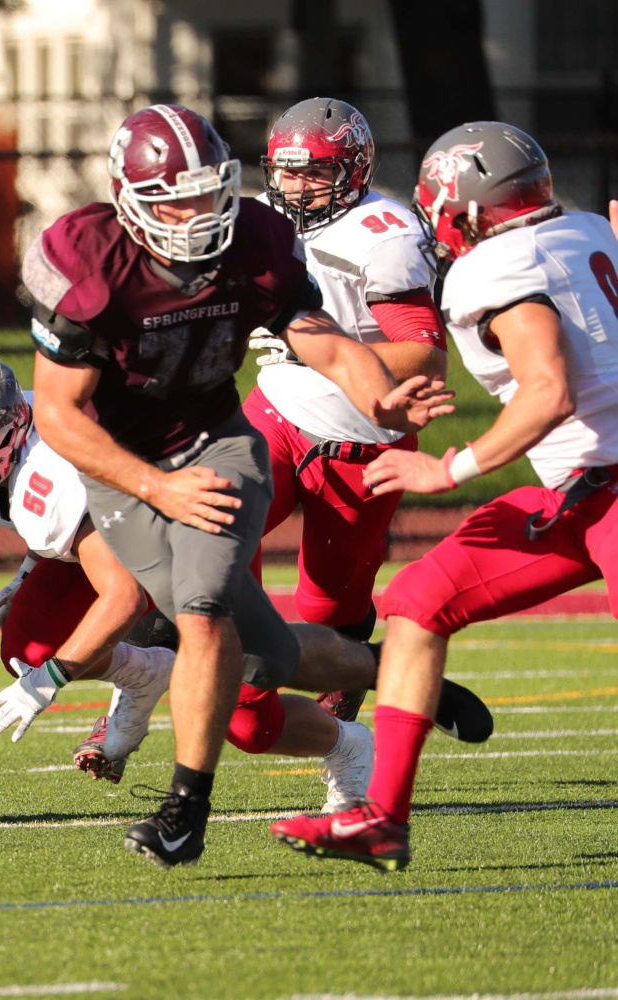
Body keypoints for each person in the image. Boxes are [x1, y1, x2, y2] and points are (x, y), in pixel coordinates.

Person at [18, 103, 454, 870]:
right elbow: (57, 413)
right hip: (123, 464)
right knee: (266, 660)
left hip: (218, 443)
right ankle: (391, 672)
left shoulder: (253, 237)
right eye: (170, 200)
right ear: (127, 200)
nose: (193, 215)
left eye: (204, 192)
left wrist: (376, 389)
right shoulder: (84, 258)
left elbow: (315, 335)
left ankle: (185, 810)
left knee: (203, 605)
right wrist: (155, 487)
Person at [271, 120, 618, 870]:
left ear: (460, 210)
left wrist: (448, 469)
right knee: (415, 606)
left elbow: (549, 390)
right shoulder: (587, 229)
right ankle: (379, 818)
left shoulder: (494, 266)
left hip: (605, 487)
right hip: (579, 495)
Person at [222, 98, 491, 786]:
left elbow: (422, 358)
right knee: (211, 540)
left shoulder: (384, 232)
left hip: (359, 437)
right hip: (276, 411)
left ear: (351, 168)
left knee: (328, 614)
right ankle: (206, 657)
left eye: (312, 174)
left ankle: (342, 726)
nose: (293, 188)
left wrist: (310, 346)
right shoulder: (262, 219)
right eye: (284, 173)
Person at [0, 355, 174, 776]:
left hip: (190, 527)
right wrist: (27, 572)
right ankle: (147, 674)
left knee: (247, 714)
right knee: (25, 646)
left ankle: (320, 718)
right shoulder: (13, 436)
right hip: (120, 527)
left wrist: (50, 680)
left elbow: (124, 596)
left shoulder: (51, 474)